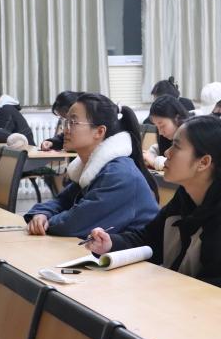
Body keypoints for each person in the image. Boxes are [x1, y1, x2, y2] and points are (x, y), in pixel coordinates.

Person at [86, 115, 221, 319]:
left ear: (203, 162)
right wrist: (111, 243)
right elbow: (149, 239)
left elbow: (220, 293)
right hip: (210, 309)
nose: (167, 153)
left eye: (176, 146)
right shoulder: (187, 195)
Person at [24, 93, 159, 237]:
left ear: (99, 131)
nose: (65, 129)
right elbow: (62, 201)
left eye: (73, 122)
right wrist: (42, 214)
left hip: (133, 251)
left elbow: (75, 224)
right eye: (65, 122)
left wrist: (45, 222)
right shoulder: (92, 167)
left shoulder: (119, 174)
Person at [143, 95, 190, 171]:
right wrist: (148, 155)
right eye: (157, 127)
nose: (160, 132)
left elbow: (182, 164)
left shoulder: (191, 137)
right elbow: (159, 148)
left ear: (177, 118)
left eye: (162, 126)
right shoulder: (167, 139)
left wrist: (154, 161)